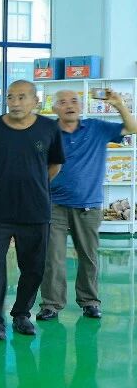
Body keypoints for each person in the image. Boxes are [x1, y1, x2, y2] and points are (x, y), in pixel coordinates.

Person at [41, 88, 137, 320]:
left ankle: (90, 301)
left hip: (88, 205)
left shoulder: (96, 127)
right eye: (63, 102)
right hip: (53, 204)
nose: (69, 105)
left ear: (82, 106)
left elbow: (132, 128)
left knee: (88, 256)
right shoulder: (47, 132)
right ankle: (51, 304)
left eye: (74, 101)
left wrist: (119, 103)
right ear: (55, 108)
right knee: (53, 258)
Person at [0, 81, 64, 339]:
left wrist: (35, 184)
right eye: (10, 97)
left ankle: (21, 314)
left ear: (35, 101)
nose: (15, 102)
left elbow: (55, 164)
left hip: (35, 210)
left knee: (34, 267)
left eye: (22, 97)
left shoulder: (49, 128)